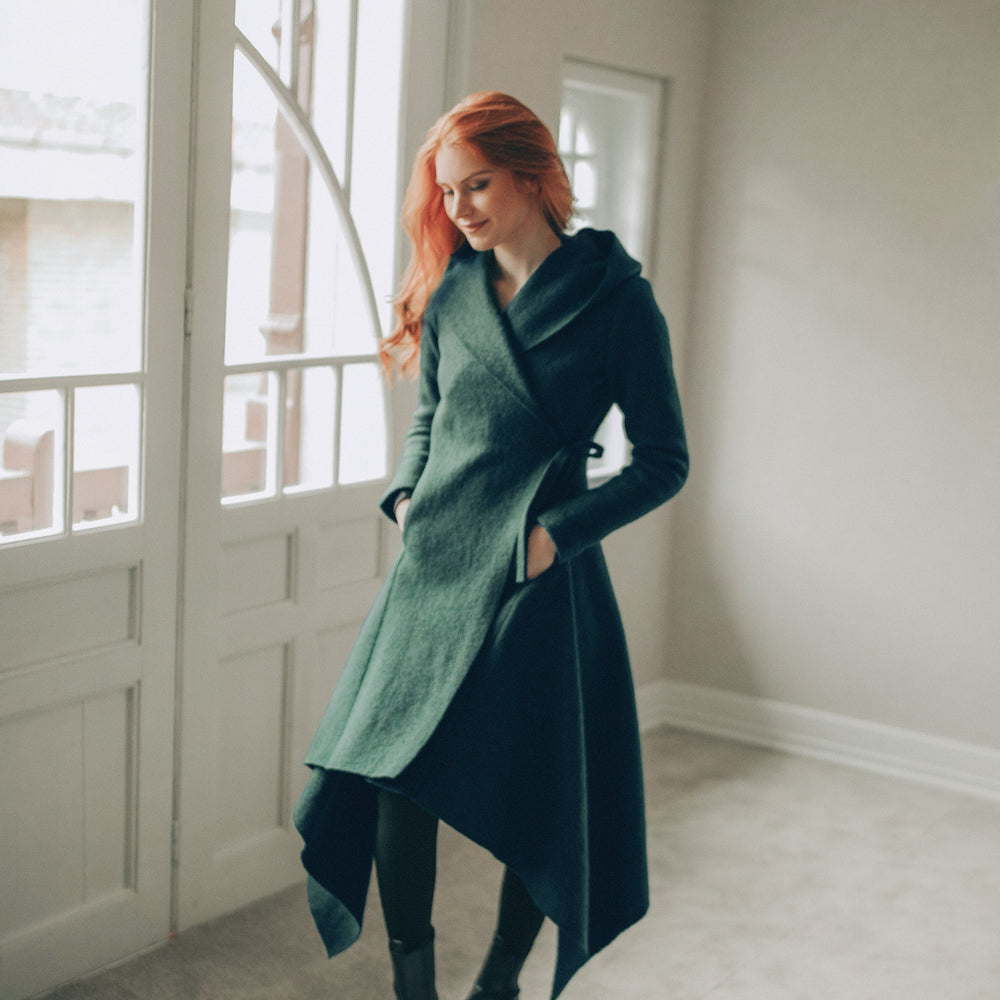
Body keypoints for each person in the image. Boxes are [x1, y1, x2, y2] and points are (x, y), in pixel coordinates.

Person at [294, 91, 688, 1000]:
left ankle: (502, 979)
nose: (460, 208)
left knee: (537, 785)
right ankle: (415, 986)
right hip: (433, 565)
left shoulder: (616, 300)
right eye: (448, 191)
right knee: (391, 774)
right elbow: (429, 424)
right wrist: (403, 495)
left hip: (537, 573)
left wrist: (556, 534)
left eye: (477, 185)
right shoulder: (454, 292)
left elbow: (665, 461)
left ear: (533, 176)